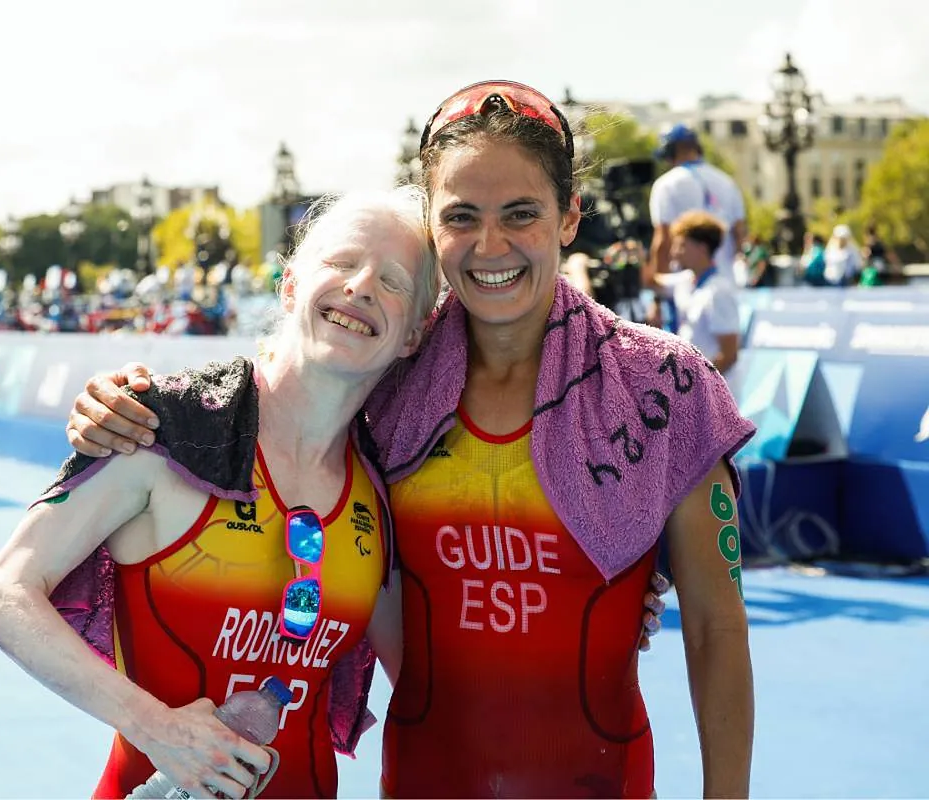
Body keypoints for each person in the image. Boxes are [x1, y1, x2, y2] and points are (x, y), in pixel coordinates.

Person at [64, 81, 754, 797]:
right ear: (432, 221)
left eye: (521, 214)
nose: (492, 246)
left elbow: (717, 632)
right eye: (462, 216)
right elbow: (272, 402)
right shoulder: (384, 383)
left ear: (570, 217)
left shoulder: (664, 391)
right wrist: (132, 407)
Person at [0, 187, 443, 799]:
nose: (360, 287)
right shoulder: (163, 428)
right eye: (341, 262)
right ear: (290, 284)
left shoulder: (383, 493)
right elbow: (3, 595)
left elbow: (425, 685)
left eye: (394, 281)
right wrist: (154, 726)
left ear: (413, 334)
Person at [646, 123, 747, 332]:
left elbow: (662, 242)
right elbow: (739, 234)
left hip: (685, 287)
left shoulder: (666, 184)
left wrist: (657, 298)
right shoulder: (727, 181)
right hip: (725, 283)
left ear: (671, 151)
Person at [660, 210, 741, 374]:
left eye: (681, 245)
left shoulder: (719, 292)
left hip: (711, 395)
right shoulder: (685, 281)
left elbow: (729, 355)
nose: (674, 252)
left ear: (702, 248)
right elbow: (650, 282)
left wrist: (696, 384)